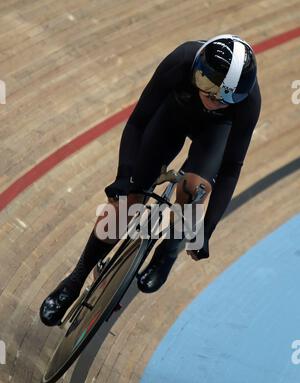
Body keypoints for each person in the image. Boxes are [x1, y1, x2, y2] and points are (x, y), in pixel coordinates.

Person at [40, 34, 261, 326]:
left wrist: (206, 230)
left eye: (227, 99)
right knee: (124, 206)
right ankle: (75, 279)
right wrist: (123, 180)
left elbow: (231, 168)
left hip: (213, 135)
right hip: (171, 118)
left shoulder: (249, 102)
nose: (214, 103)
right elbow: (137, 122)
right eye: (209, 90)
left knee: (195, 188)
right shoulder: (182, 60)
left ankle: (168, 249)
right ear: (198, 72)